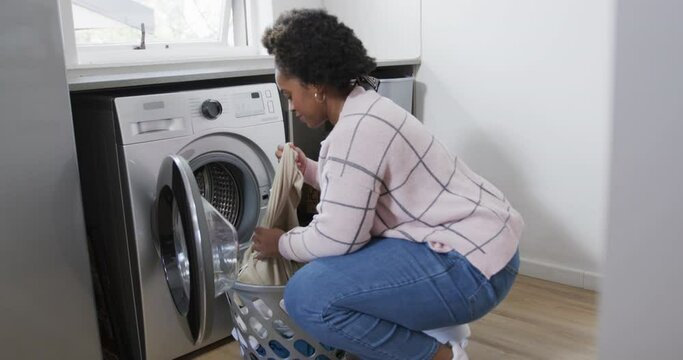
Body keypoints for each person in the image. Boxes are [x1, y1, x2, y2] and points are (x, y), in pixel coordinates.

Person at [251, 9, 523, 360]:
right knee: (336, 273)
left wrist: (282, 243)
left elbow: (338, 237)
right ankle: (429, 324)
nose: (292, 107)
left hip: (471, 269)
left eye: (289, 95)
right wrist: (310, 170)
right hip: (480, 249)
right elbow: (360, 187)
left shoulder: (358, 130)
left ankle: (440, 355)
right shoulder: (368, 110)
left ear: (316, 85)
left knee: (308, 296)